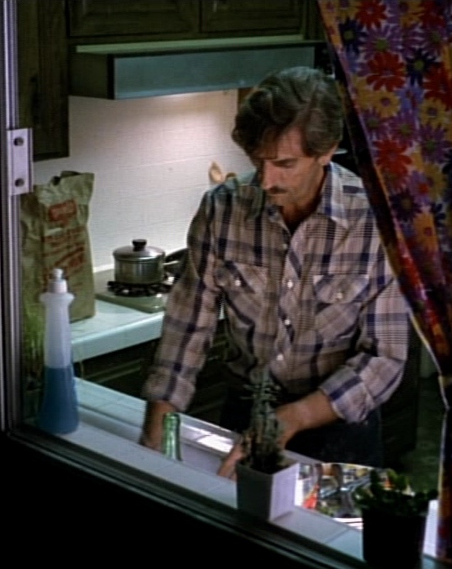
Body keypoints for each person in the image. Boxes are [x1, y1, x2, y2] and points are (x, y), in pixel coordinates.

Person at [138, 66, 409, 474]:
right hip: (244, 413)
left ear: (327, 151)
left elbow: (384, 357)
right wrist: (157, 426)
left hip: (338, 426)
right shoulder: (222, 209)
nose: (266, 180)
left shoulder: (375, 220)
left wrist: (297, 416)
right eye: (257, 161)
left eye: (284, 163)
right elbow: (187, 328)